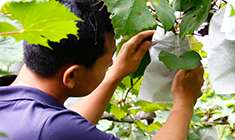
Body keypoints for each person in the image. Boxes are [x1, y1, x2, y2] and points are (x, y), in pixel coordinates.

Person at [0, 0, 204, 140]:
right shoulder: (52, 129)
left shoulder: (13, 105)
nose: (111, 65)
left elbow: (62, 127)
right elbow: (60, 130)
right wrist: (185, 102)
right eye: (107, 63)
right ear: (71, 75)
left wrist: (114, 75)